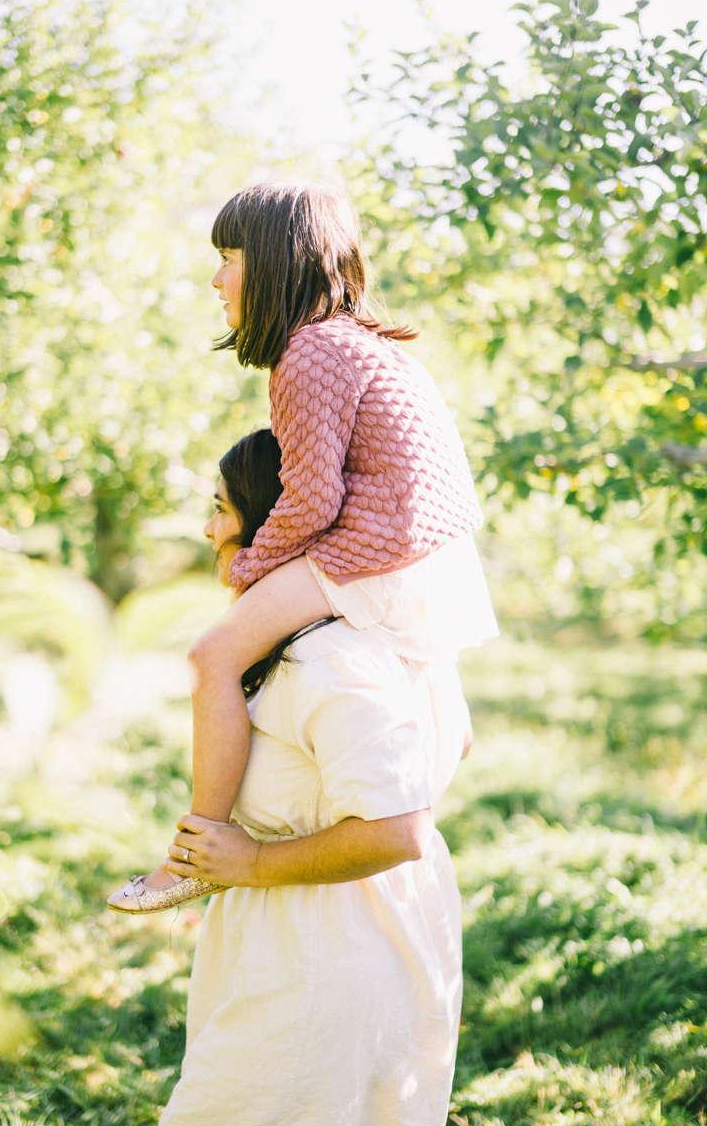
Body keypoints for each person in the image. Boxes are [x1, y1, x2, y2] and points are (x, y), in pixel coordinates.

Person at [108, 180, 497, 912]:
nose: (217, 278)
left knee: (212, 655)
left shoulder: (308, 353)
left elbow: (313, 501)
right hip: (423, 555)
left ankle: (197, 852)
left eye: (230, 257)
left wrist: (252, 569)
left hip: (376, 551)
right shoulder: (360, 345)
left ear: (276, 261)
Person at [138, 429, 470, 1126]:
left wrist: (254, 859)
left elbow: (399, 829)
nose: (207, 530)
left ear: (269, 522)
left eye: (220, 508)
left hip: (335, 954)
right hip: (307, 937)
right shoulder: (303, 645)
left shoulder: (330, 659)